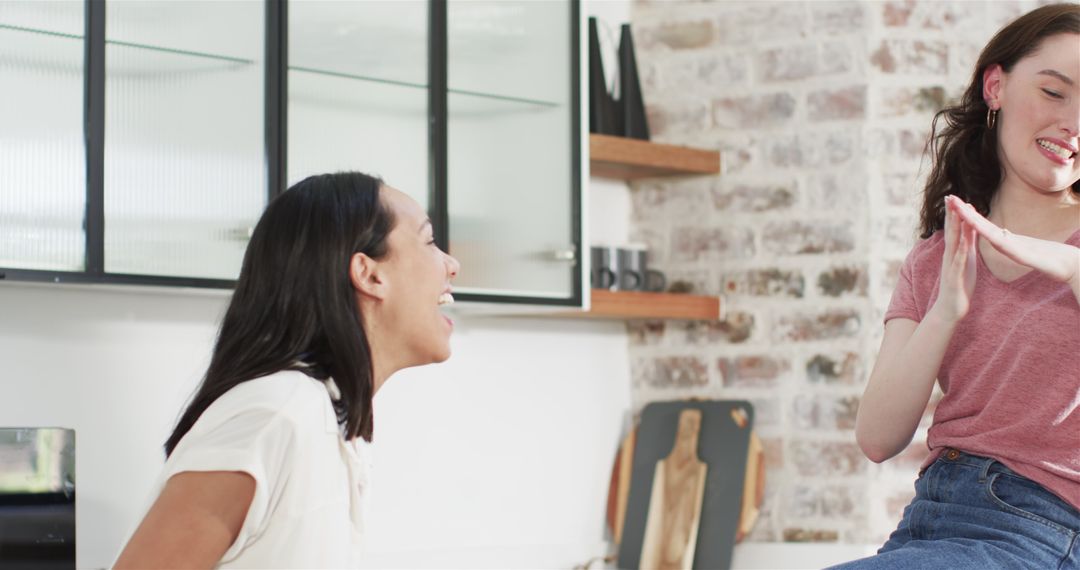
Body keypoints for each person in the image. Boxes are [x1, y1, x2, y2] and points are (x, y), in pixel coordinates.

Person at [833, 4, 1080, 569]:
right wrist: (947, 310)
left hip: (1045, 530)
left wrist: (1070, 268)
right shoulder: (936, 257)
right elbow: (877, 438)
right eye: (1054, 92)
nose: (1074, 122)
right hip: (929, 519)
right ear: (996, 85)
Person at [114, 171, 460, 568]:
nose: (452, 264)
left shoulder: (330, 423)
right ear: (368, 273)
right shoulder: (275, 411)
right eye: (430, 241)